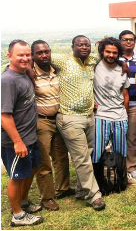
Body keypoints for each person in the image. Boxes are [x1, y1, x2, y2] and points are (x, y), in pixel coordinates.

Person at [52, 35, 106, 211]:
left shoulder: (91, 61)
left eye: (87, 44)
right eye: (80, 44)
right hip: (69, 117)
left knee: (89, 155)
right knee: (82, 158)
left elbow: (110, 52)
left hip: (89, 116)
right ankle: (94, 196)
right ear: (72, 46)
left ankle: (82, 190)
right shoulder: (62, 61)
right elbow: (39, 57)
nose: (84, 47)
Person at [1, 40, 44, 226]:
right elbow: (4, 115)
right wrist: (18, 142)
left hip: (30, 136)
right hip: (15, 141)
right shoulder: (8, 81)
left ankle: (24, 201)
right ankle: (17, 216)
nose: (25, 58)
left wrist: (29, 70)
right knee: (16, 177)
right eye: (20, 55)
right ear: (9, 56)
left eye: (28, 54)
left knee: (32, 168)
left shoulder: (24, 73)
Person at [31, 40, 71, 212]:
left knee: (61, 156)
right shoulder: (30, 73)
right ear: (33, 55)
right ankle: (47, 197)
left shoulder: (57, 71)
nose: (44, 55)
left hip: (59, 118)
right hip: (42, 121)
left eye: (46, 51)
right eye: (39, 53)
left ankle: (63, 188)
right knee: (44, 161)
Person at [92, 37, 136, 183]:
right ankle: (97, 180)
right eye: (108, 52)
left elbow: (125, 94)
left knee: (120, 151)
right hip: (101, 115)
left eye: (114, 53)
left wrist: (124, 114)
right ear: (102, 51)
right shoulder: (94, 65)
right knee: (98, 151)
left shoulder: (122, 69)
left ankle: (120, 179)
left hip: (119, 116)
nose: (111, 55)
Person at [118, 30, 136, 183]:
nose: (128, 42)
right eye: (125, 39)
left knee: (133, 137)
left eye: (131, 39)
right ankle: (118, 165)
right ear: (120, 41)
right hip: (117, 105)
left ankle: (131, 167)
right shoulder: (114, 58)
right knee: (118, 137)